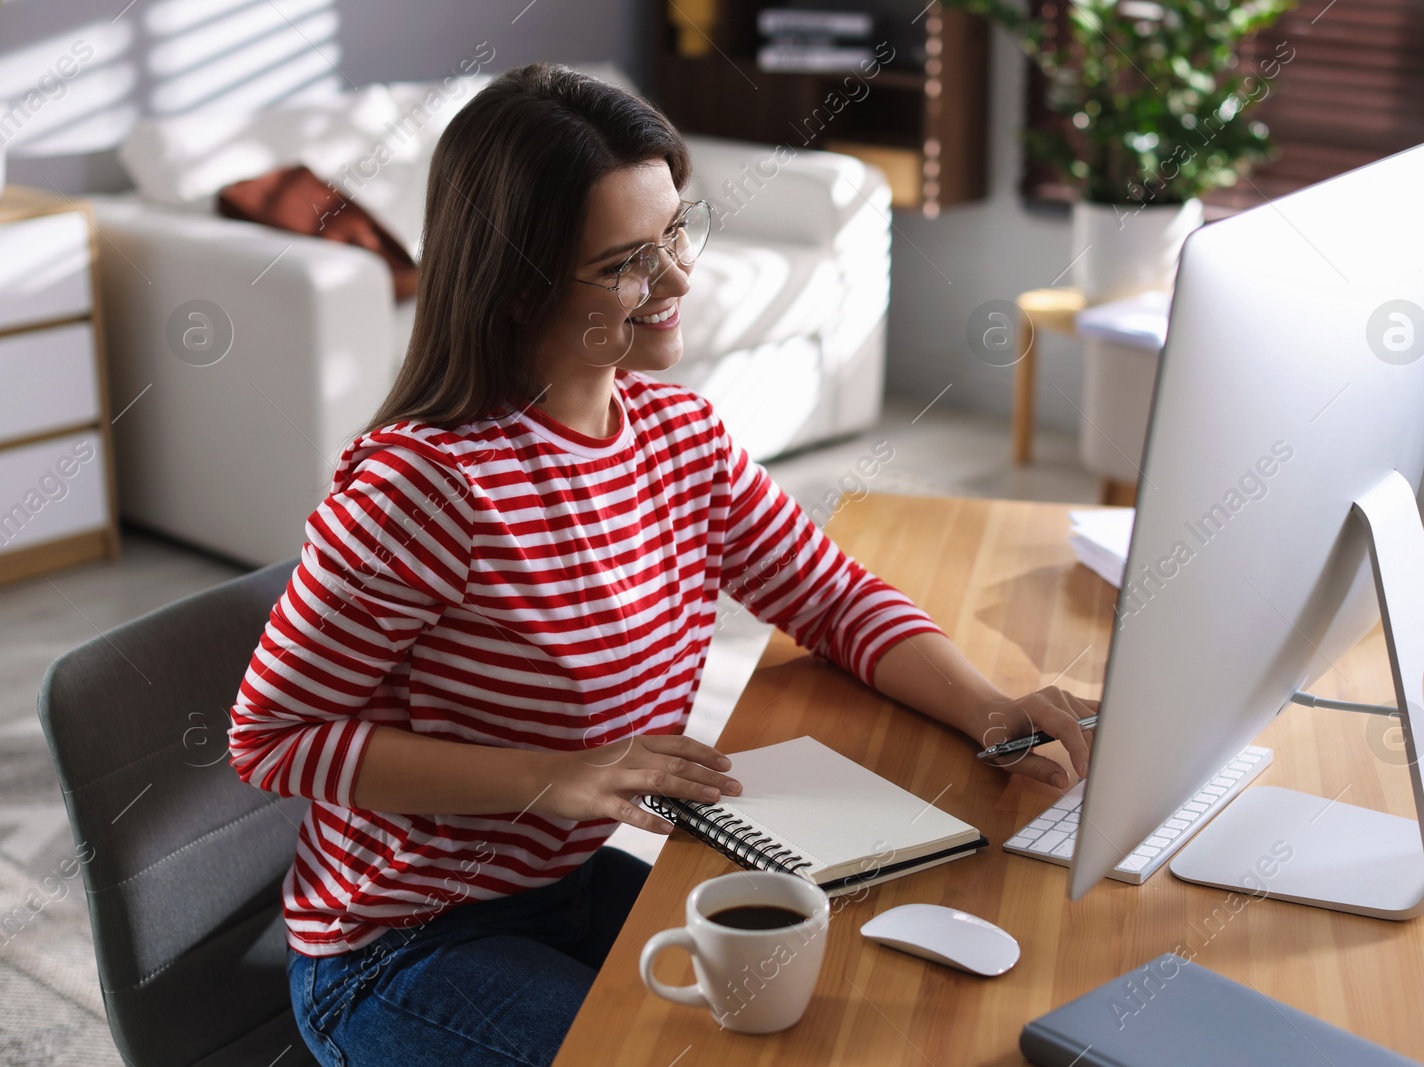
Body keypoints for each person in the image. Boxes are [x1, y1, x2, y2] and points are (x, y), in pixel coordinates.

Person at [228, 61, 1097, 1067]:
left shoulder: (674, 432)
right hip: (400, 947)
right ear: (517, 287)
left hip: (561, 887)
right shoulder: (426, 490)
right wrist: (552, 776)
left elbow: (829, 594)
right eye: (627, 262)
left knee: (837, 1007)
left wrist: (990, 710)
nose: (680, 279)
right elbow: (272, 738)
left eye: (676, 231)